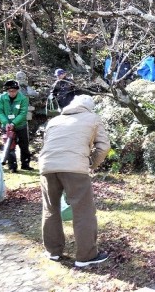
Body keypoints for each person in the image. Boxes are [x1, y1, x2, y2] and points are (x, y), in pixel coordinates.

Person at [39, 95, 110, 267]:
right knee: (83, 211)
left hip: (47, 167)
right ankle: (86, 256)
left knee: (50, 209)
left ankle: (53, 251)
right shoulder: (92, 118)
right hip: (75, 169)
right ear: (89, 108)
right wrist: (92, 164)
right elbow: (104, 146)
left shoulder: (55, 120)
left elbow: (47, 143)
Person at [0, 80, 33, 172]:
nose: (12, 93)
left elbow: (23, 113)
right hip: (6, 126)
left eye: (14, 91)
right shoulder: (2, 98)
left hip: (20, 125)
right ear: (7, 91)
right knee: (10, 146)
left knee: (24, 146)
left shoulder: (23, 98)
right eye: (10, 91)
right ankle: (12, 166)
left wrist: (14, 123)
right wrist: (6, 122)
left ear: (17, 90)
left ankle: (25, 164)